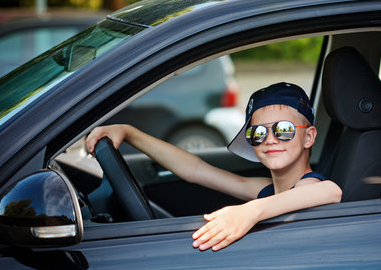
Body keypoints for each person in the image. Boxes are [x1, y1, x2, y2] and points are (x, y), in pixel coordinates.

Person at [86, 82, 342, 251]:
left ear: (308, 137)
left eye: (284, 130)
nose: (270, 139)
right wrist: (130, 133)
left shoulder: (308, 186)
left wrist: (248, 212)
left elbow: (329, 192)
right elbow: (196, 169)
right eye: (258, 133)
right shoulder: (266, 191)